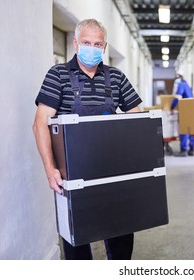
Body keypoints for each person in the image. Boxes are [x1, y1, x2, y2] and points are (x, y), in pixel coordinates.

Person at [32, 19, 141, 260]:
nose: (92, 48)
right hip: (72, 174)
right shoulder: (57, 75)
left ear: (104, 47)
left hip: (113, 171)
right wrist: (50, 170)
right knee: (77, 241)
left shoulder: (116, 77)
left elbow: (137, 120)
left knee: (121, 235)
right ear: (75, 43)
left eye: (97, 43)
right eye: (86, 42)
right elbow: (40, 123)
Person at [171, 74, 194, 156]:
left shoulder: (181, 85)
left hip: (186, 109)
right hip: (193, 109)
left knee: (184, 129)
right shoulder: (188, 85)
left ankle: (183, 150)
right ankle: (191, 150)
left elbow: (178, 97)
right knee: (191, 129)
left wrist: (172, 107)